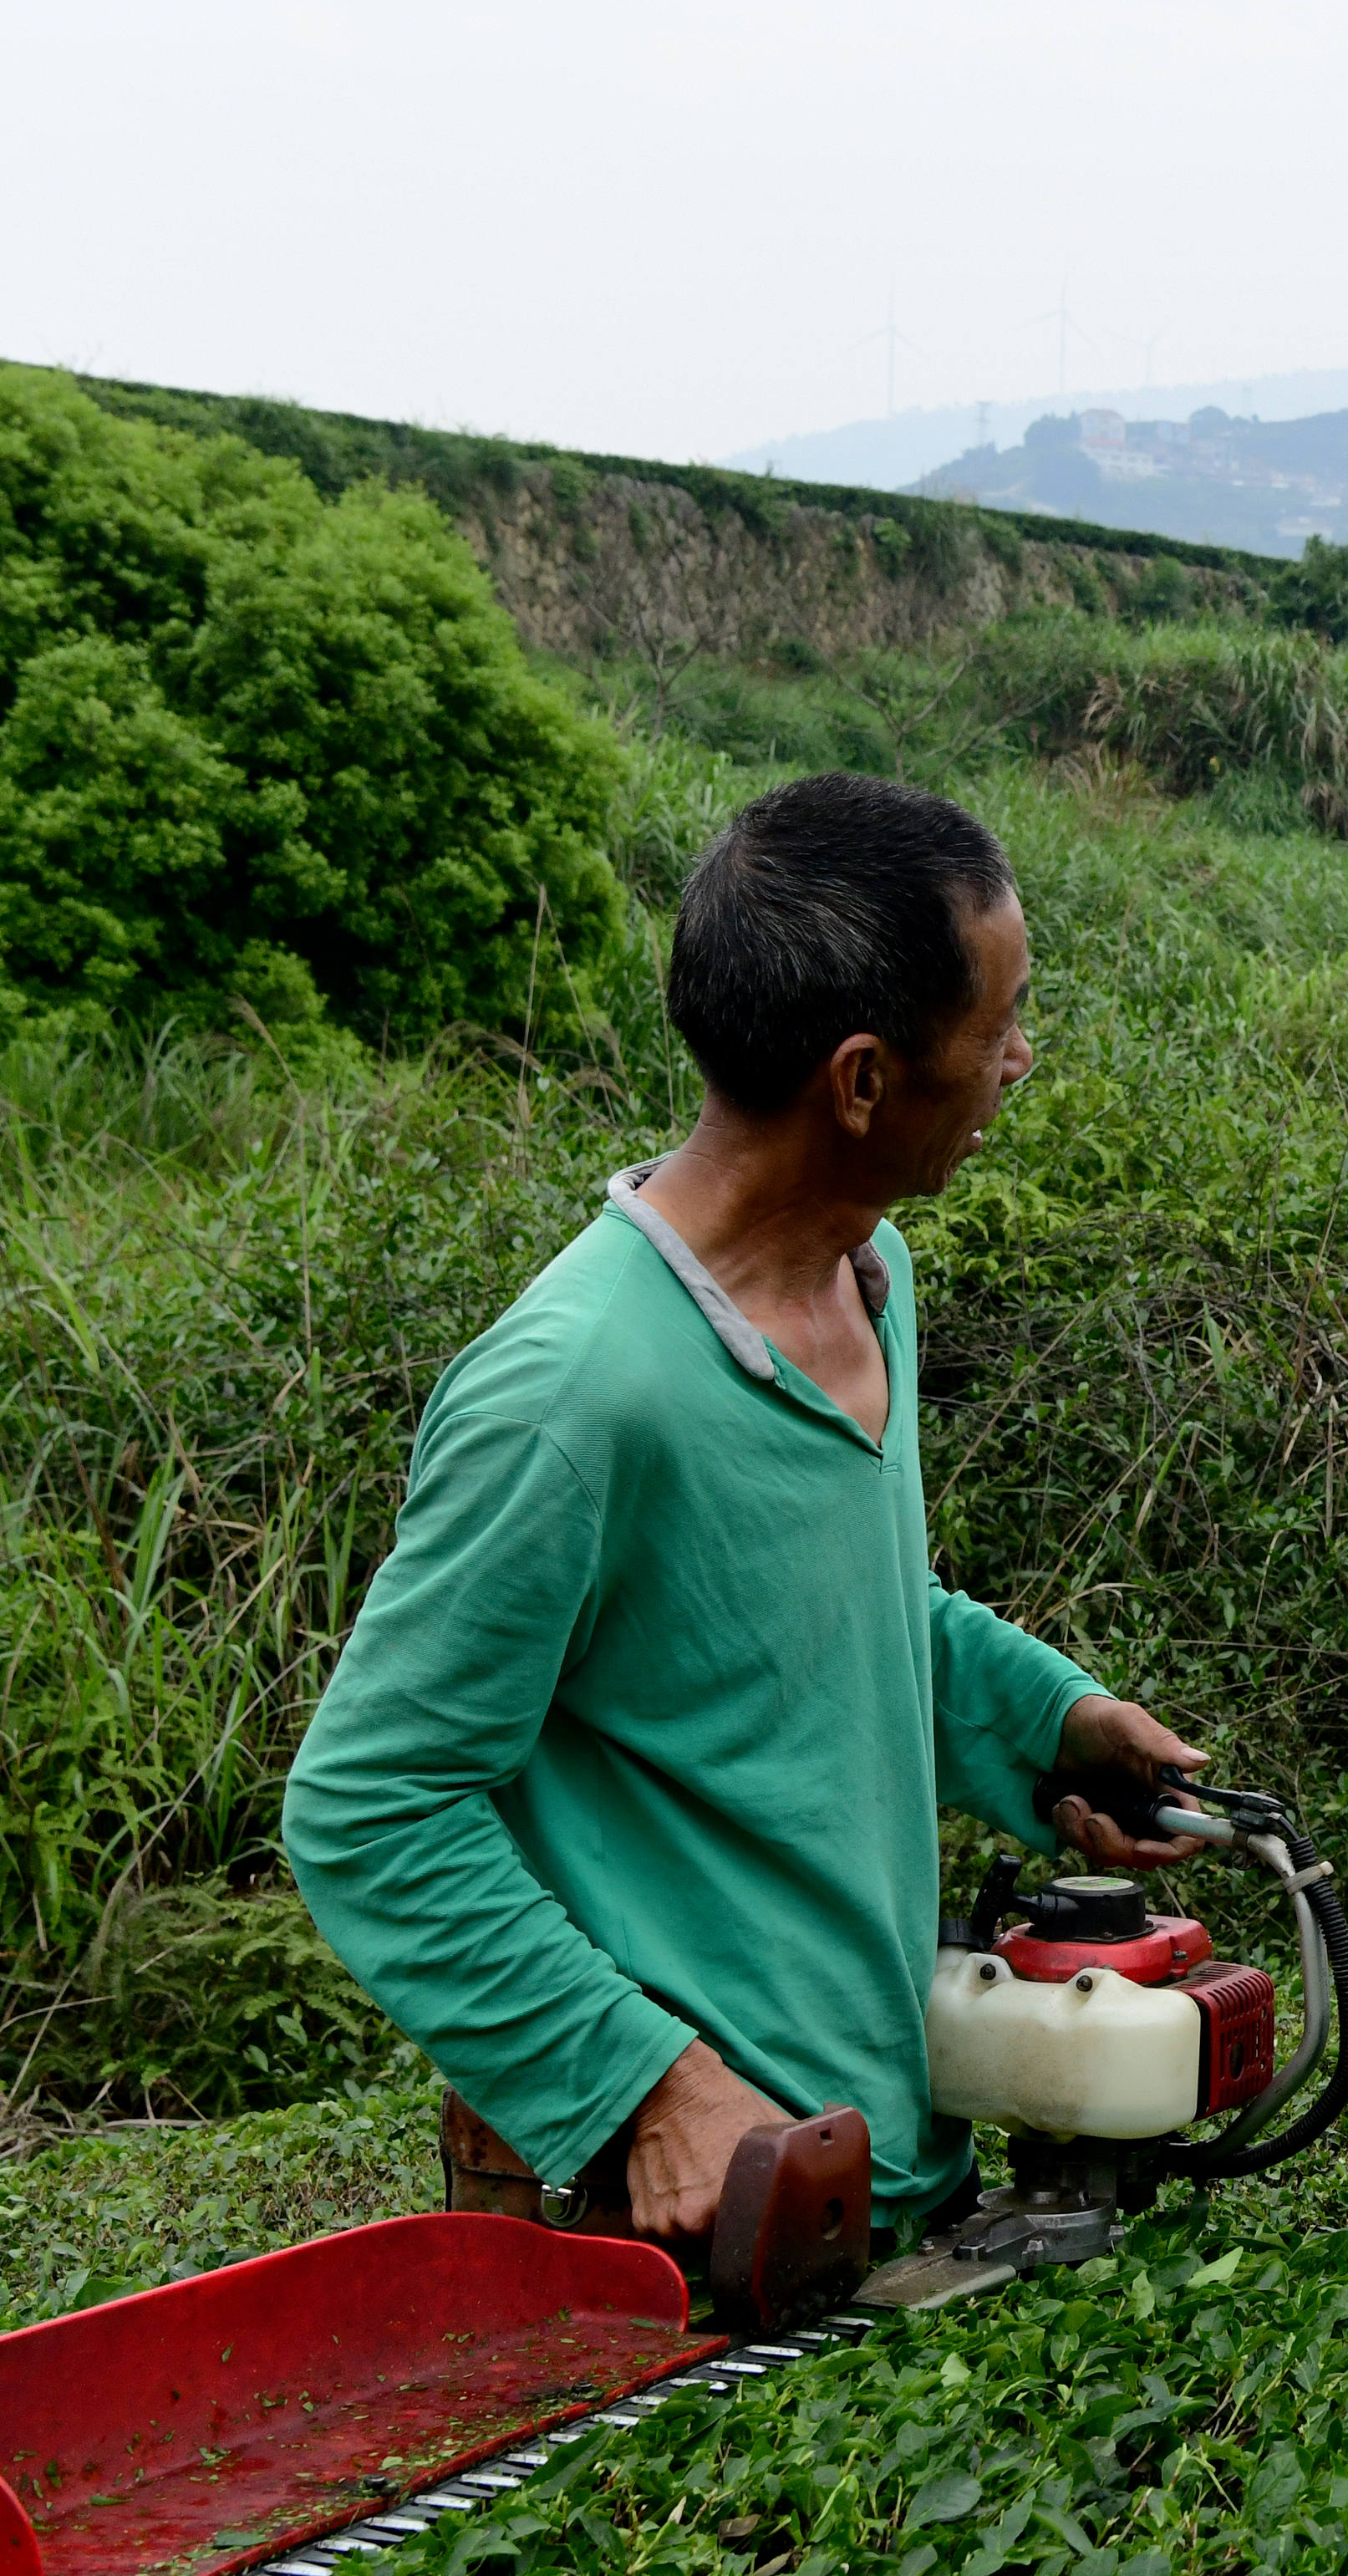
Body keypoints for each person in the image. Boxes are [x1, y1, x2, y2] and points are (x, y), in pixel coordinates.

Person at [284, 773, 1203, 2241]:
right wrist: (652, 2088)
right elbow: (371, 1807)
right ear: (859, 1080)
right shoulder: (577, 1390)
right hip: (697, 2218)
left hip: (889, 2174)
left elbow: (794, 1620)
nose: (1018, 1062)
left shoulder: (868, 1277)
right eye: (995, 1028)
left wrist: (1042, 1723)